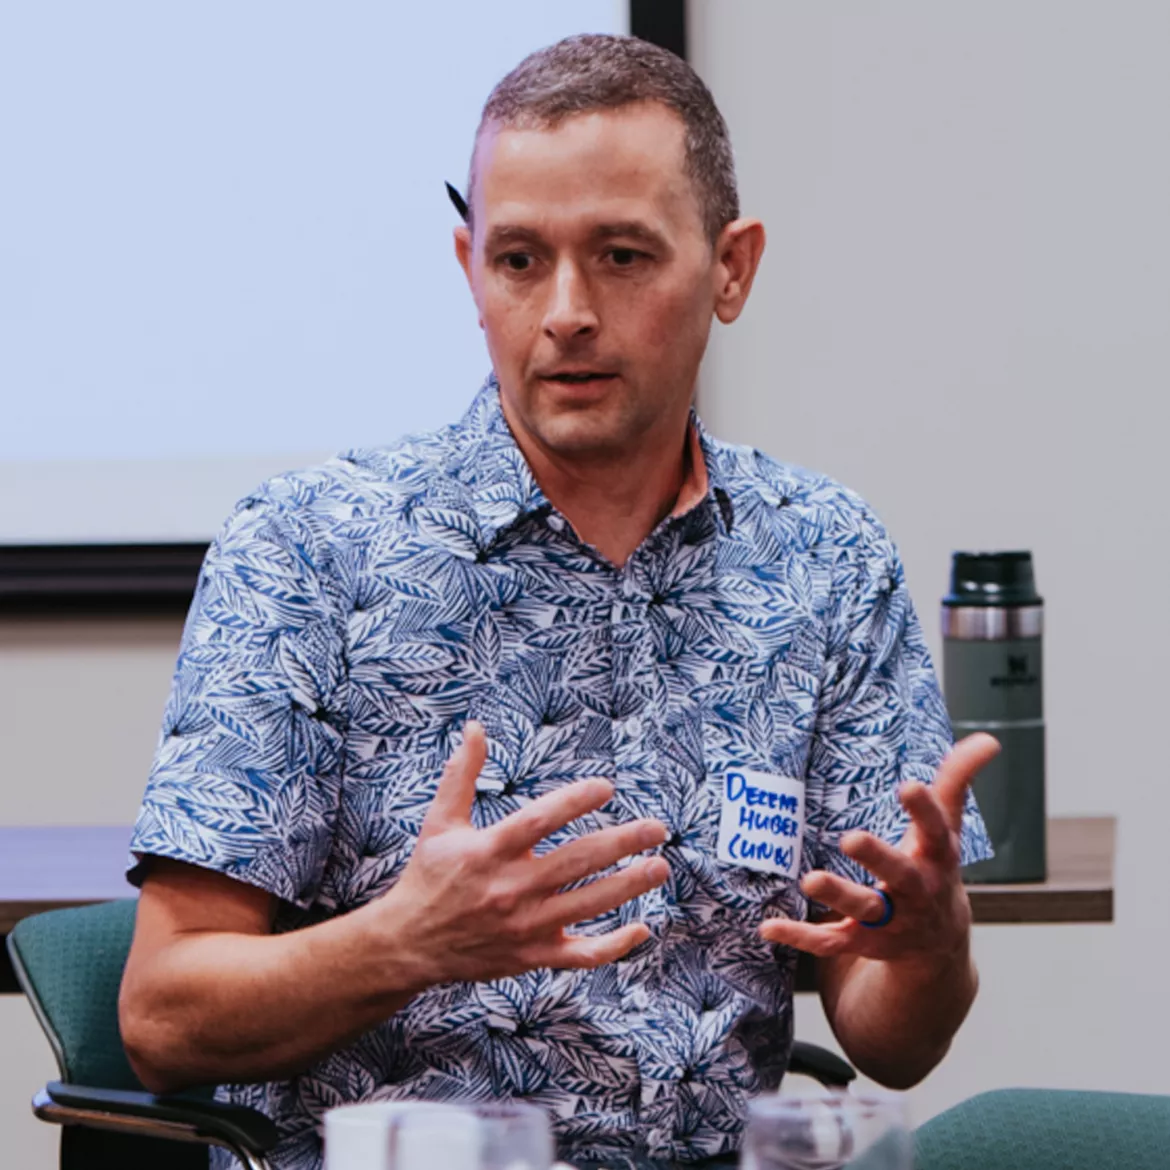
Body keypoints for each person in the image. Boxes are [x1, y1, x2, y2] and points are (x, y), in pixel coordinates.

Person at [119, 33, 996, 1170]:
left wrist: (928, 948)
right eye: (519, 259)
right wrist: (408, 941)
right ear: (468, 265)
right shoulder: (308, 549)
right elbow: (164, 1016)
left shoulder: (825, 557)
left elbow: (888, 1036)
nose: (567, 311)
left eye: (623, 255)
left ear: (732, 268)